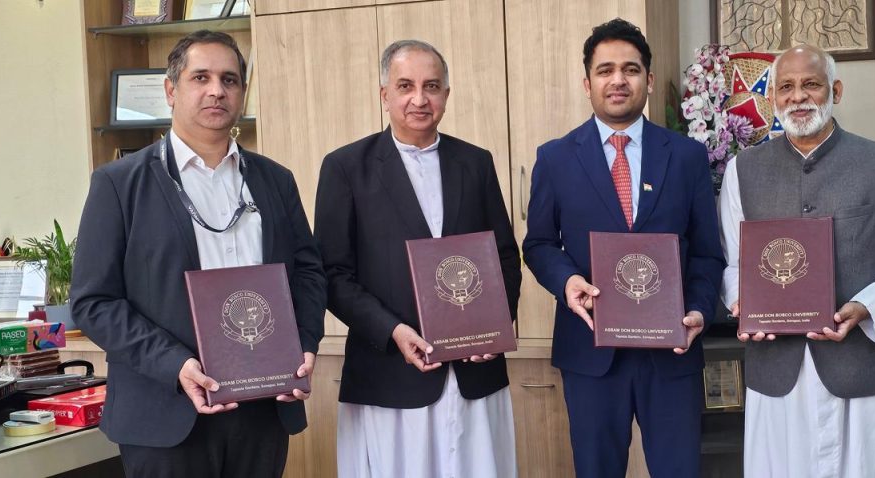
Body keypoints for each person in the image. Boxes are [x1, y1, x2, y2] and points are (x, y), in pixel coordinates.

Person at [71, 30, 327, 478]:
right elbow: (94, 302)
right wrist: (175, 365)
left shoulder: (275, 180)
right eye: (201, 77)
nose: (217, 91)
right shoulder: (119, 184)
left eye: (230, 80)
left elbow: (307, 273)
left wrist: (304, 343)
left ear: (242, 93)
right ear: (171, 90)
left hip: (263, 407)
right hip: (165, 412)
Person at [718, 44, 875, 477]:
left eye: (811, 84)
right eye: (786, 87)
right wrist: (742, 303)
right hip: (777, 374)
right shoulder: (741, 171)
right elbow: (731, 264)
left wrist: (867, 307)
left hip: (861, 371)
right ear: (773, 98)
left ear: (835, 90)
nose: (798, 96)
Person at [522, 18, 725, 478]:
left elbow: (707, 252)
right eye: (605, 70)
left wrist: (698, 309)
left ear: (648, 80)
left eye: (630, 70)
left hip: (672, 350)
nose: (618, 80)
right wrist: (567, 282)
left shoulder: (687, 156)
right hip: (591, 353)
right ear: (587, 83)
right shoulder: (555, 158)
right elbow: (538, 244)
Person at [314, 39, 521, 478]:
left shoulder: (476, 163)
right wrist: (393, 331)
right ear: (384, 94)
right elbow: (333, 274)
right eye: (405, 86)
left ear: (446, 93)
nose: (419, 99)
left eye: (431, 86)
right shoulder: (346, 167)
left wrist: (494, 328)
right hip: (389, 375)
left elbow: (504, 256)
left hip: (474, 376)